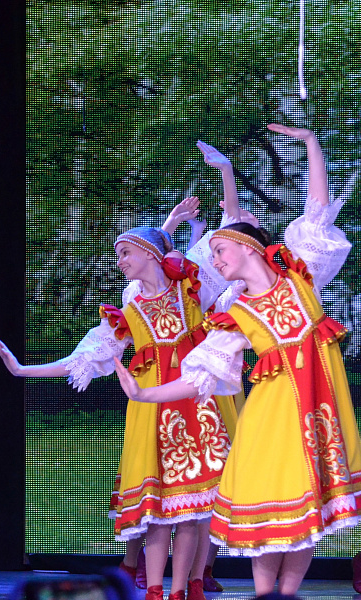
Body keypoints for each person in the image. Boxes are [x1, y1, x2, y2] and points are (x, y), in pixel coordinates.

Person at [112, 124, 361, 597]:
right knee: (272, 506)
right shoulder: (234, 313)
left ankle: (285, 594)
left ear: (247, 246)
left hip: (321, 410)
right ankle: (265, 594)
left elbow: (317, 209)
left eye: (220, 250)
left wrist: (312, 145)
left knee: (309, 515)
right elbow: (201, 374)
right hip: (272, 416)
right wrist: (146, 393)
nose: (216, 259)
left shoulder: (302, 274)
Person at [0, 143, 243, 600]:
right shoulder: (128, 313)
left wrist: (225, 170)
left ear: (149, 253)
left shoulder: (192, 288)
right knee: (159, 510)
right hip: (151, 411)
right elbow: (85, 357)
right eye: (119, 255)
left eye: (126, 252)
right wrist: (24, 370)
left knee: (192, 509)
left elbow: (230, 232)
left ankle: (186, 587)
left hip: (194, 403)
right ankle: (154, 589)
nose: (120, 261)